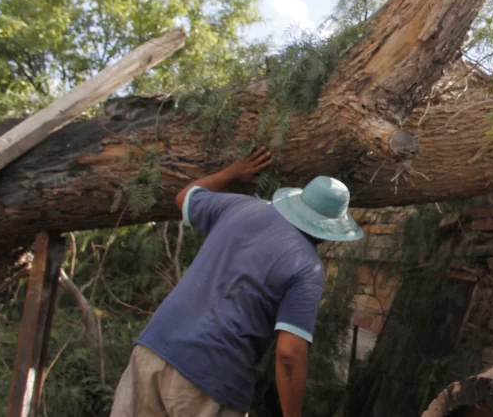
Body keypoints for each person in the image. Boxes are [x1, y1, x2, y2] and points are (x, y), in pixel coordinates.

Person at [109, 147, 364, 417]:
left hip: (152, 352)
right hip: (209, 381)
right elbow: (290, 355)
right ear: (331, 230)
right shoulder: (307, 268)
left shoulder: (240, 206)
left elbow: (184, 197)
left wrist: (232, 173)